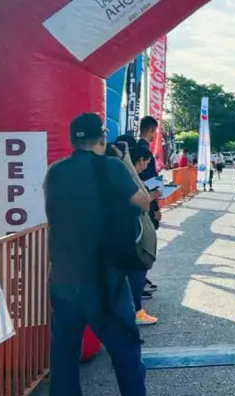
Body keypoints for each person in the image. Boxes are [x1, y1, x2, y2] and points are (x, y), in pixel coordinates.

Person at [44, 113, 151, 395]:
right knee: (125, 351)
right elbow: (143, 202)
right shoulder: (112, 168)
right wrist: (126, 162)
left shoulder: (55, 171)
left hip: (62, 276)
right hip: (104, 279)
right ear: (103, 138)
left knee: (64, 354)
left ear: (71, 139)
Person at [108, 136, 159, 325]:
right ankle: (135, 311)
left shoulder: (111, 166)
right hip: (128, 230)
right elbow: (143, 201)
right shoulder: (119, 168)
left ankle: (131, 309)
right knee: (136, 267)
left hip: (120, 229)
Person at [136, 117, 161, 295]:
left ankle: (140, 280)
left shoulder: (134, 149)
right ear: (151, 130)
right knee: (146, 241)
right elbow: (152, 182)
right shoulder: (145, 153)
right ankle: (140, 281)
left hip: (136, 198)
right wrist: (157, 207)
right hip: (146, 200)